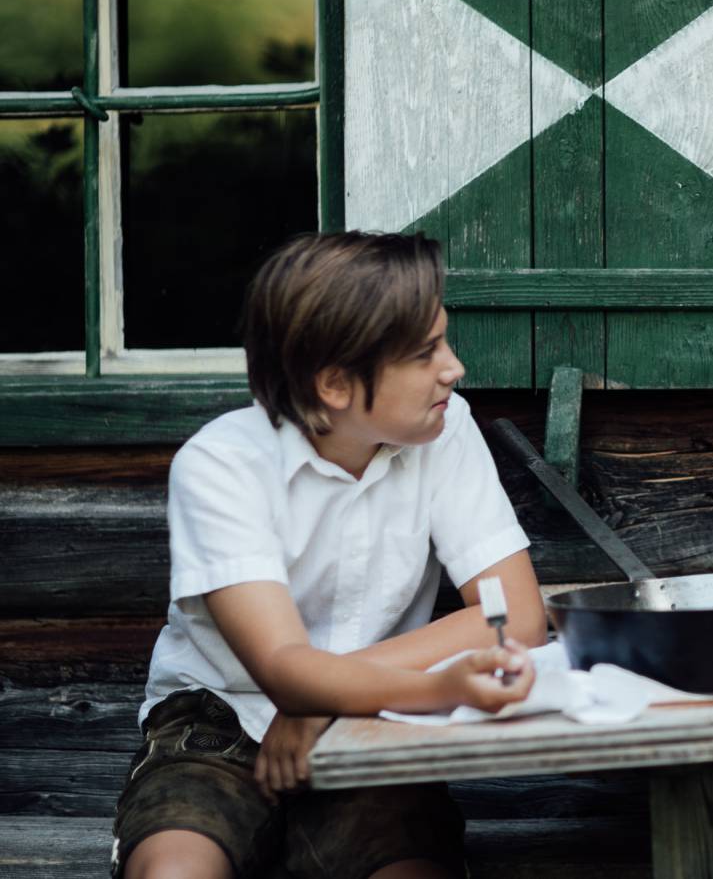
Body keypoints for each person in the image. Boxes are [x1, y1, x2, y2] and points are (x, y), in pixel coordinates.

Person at [113, 231, 544, 879]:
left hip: (380, 719)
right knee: (174, 871)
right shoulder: (220, 463)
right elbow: (285, 667)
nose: (453, 368)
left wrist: (326, 699)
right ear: (337, 385)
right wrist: (433, 686)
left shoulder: (445, 429)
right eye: (427, 353)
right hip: (216, 725)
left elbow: (519, 617)